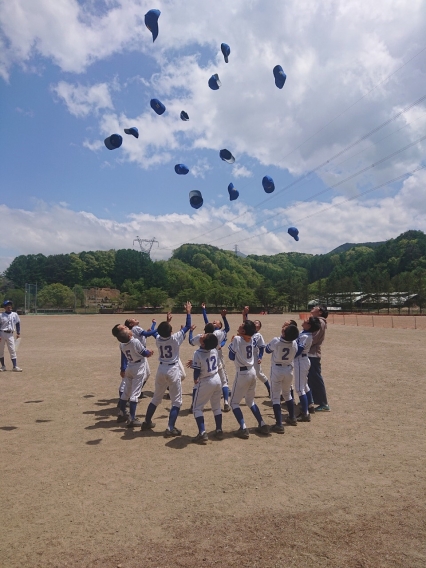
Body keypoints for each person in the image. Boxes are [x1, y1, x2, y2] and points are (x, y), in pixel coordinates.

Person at [141, 302, 192, 437]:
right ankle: (170, 428)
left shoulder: (158, 339)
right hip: (173, 370)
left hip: (161, 369)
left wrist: (166, 321)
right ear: (170, 331)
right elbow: (187, 327)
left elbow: (158, 332)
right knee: (176, 401)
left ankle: (146, 421)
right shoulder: (175, 339)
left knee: (156, 398)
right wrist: (188, 312)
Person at [228, 319, 270, 439]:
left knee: (234, 402)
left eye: (241, 326)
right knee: (250, 401)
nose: (239, 326)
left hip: (242, 374)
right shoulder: (251, 339)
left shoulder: (237, 339)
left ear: (244, 330)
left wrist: (232, 343)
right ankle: (262, 424)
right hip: (252, 372)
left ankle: (243, 428)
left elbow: (231, 357)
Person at [113, 326, 154, 427]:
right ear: (130, 335)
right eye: (127, 330)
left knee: (126, 392)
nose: (128, 329)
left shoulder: (122, 345)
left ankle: (122, 413)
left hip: (130, 367)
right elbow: (144, 353)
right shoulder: (135, 341)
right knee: (135, 394)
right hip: (138, 368)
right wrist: (150, 352)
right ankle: (132, 418)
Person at [265, 324, 300, 432]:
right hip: (289, 369)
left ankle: (279, 424)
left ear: (284, 333)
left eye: (284, 329)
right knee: (287, 394)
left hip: (277, 369)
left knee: (275, 397)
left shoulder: (276, 340)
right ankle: (292, 417)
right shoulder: (294, 342)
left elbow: (267, 350)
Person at [190, 333, 223, 443]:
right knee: (216, 406)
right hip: (217, 378)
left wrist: (195, 379)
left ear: (203, 344)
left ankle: (202, 433)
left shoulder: (197, 353)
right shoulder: (214, 350)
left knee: (197, 408)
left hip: (205, 381)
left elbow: (197, 370)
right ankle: (219, 430)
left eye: (203, 337)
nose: (201, 336)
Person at [199, 303, 231, 411]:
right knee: (223, 380)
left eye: (216, 322)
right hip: (217, 357)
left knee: (209, 376)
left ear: (219, 326)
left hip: (213, 356)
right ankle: (226, 401)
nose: (213, 322)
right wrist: (204, 310)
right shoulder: (219, 333)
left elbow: (226, 328)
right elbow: (207, 322)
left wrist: (223, 318)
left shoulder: (216, 332)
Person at [293, 317, 321, 421]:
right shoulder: (304, 333)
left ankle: (305, 414)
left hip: (300, 361)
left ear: (309, 325)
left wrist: (289, 357)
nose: (304, 320)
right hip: (303, 360)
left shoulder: (305, 336)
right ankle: (310, 406)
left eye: (307, 320)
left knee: (300, 388)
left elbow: (298, 350)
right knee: (304, 385)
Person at [124, 317, 157, 397]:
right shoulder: (135, 328)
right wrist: (158, 328)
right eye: (133, 320)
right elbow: (146, 334)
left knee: (147, 374)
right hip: (141, 353)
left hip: (140, 352)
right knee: (145, 374)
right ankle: (133, 393)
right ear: (131, 324)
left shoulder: (135, 329)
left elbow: (145, 336)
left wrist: (153, 324)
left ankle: (137, 391)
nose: (135, 319)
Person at [242, 306, 271, 396]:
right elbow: (245, 322)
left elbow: (262, 347)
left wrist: (260, 357)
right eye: (254, 322)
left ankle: (270, 389)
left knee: (259, 374)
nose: (255, 323)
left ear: (259, 327)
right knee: (245, 373)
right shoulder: (247, 332)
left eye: (257, 323)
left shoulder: (259, 336)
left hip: (254, 355)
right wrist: (245, 313)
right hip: (245, 355)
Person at [307, 304, 330, 411]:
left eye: (316, 307)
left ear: (320, 312)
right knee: (309, 378)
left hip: (313, 354)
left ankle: (323, 403)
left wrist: (303, 344)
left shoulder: (320, 322)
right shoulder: (315, 320)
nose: (313, 307)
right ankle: (309, 399)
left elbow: (314, 338)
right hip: (309, 353)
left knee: (316, 378)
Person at [0, 300, 22, 372]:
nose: (9, 306)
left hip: (10, 334)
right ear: (4, 307)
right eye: (7, 305)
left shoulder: (15, 314)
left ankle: (15, 366)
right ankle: (3, 366)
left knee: (12, 350)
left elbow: (18, 323)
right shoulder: (1, 315)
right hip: (2, 333)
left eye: (10, 305)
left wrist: (18, 333)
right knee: (1, 350)